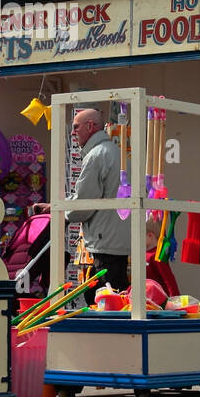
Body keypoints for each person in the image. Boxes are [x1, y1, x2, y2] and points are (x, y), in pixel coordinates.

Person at [64, 108, 128, 304]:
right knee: (119, 298)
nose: (73, 133)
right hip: (118, 238)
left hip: (104, 240)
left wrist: (63, 212)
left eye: (76, 127)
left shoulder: (96, 156)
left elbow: (84, 204)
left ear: (90, 126)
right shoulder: (116, 152)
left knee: (104, 300)